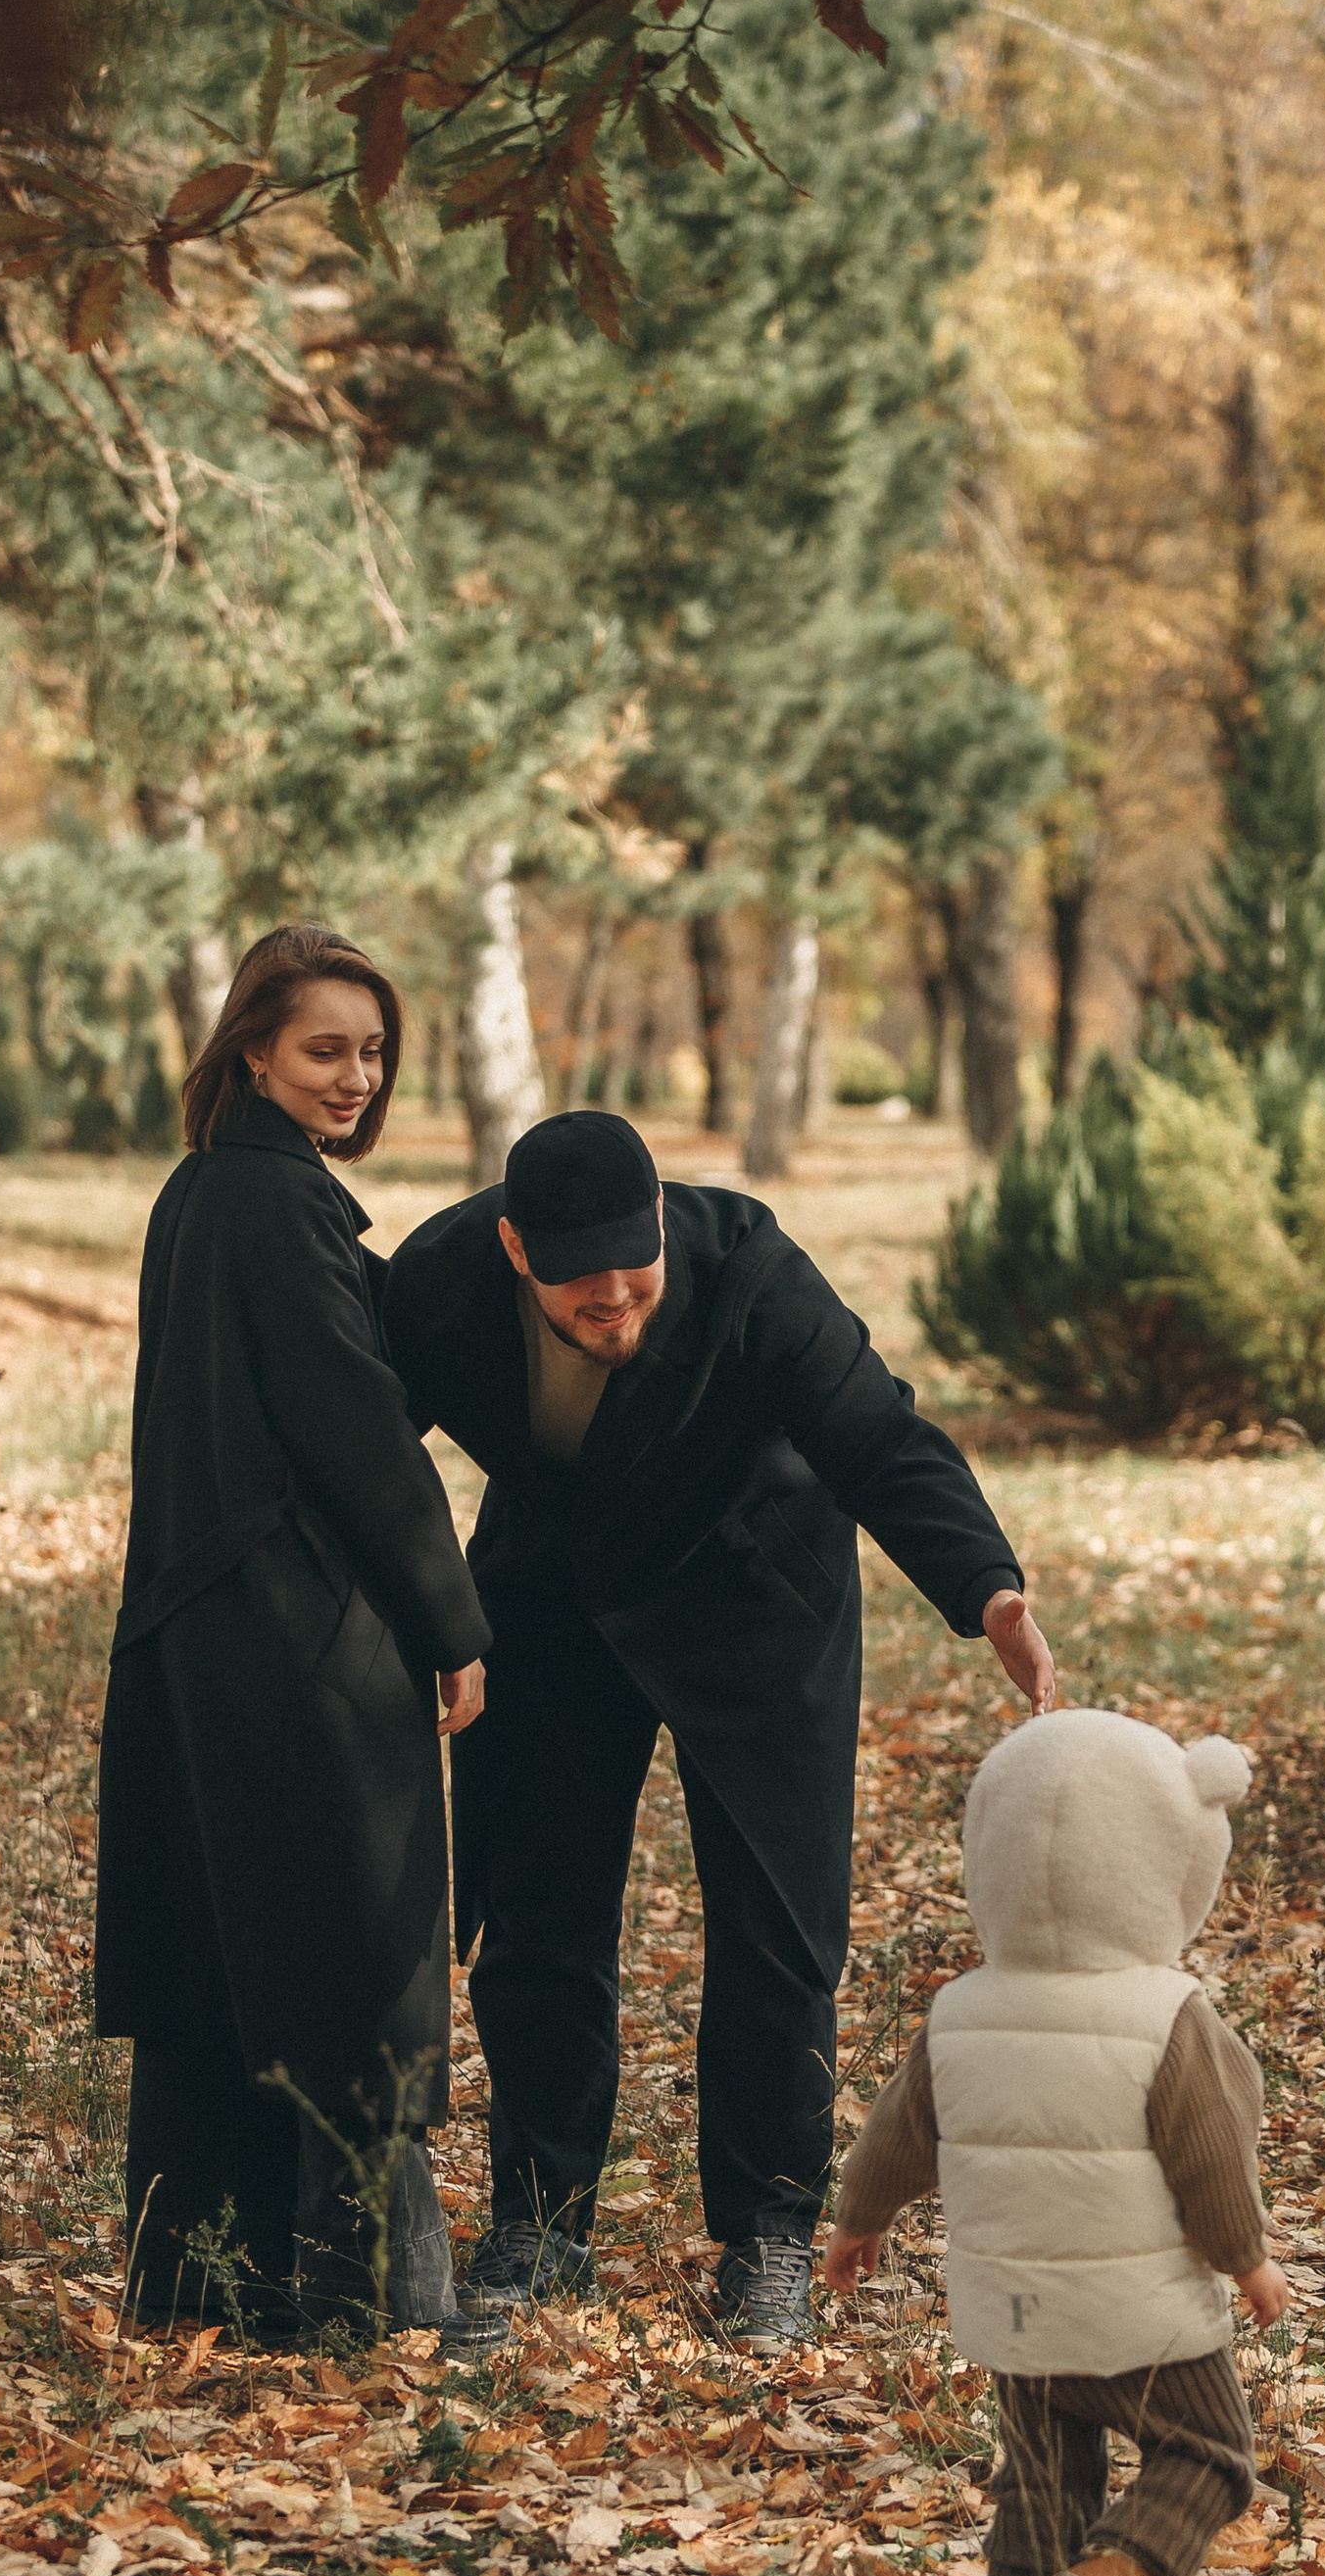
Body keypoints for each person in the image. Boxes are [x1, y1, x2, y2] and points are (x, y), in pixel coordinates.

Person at [380, 1106, 1055, 2355]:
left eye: (633, 1272)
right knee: (535, 1911)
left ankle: (768, 2231)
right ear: (515, 1250)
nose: (613, 1301)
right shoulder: (439, 1283)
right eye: (579, 1283)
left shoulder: (750, 1270)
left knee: (776, 1921)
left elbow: (876, 1433)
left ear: (659, 1227)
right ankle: (539, 2222)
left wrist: (986, 1588)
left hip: (757, 1598)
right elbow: (361, 1449)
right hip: (552, 1593)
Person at [94, 926, 490, 2344]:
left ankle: (206, 2275)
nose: (354, 1076)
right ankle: (372, 2294)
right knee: (352, 1956)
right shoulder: (278, 1205)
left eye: (372, 1052)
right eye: (325, 1048)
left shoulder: (203, 1192)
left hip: (197, 1633)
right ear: (252, 1049)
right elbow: (356, 1437)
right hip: (304, 1633)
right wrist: (452, 1622)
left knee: (222, 1957)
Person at [822, 1709, 1291, 2576]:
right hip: (1141, 2313)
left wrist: (859, 2217)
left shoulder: (960, 2012)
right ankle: (1118, 2575)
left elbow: (899, 2133)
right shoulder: (1168, 2016)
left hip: (1016, 2311)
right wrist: (1245, 2256)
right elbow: (1210, 2154)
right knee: (1210, 2452)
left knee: (1041, 2477)